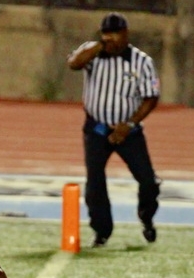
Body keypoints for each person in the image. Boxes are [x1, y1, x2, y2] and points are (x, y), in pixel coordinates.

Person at [67, 11, 162, 247]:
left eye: (115, 34)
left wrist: (129, 124)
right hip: (97, 129)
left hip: (128, 131)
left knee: (148, 181)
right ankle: (102, 231)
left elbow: (151, 97)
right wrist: (98, 46)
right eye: (105, 34)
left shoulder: (142, 62)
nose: (110, 39)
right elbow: (73, 63)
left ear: (126, 34)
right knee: (95, 182)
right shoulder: (93, 53)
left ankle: (146, 216)